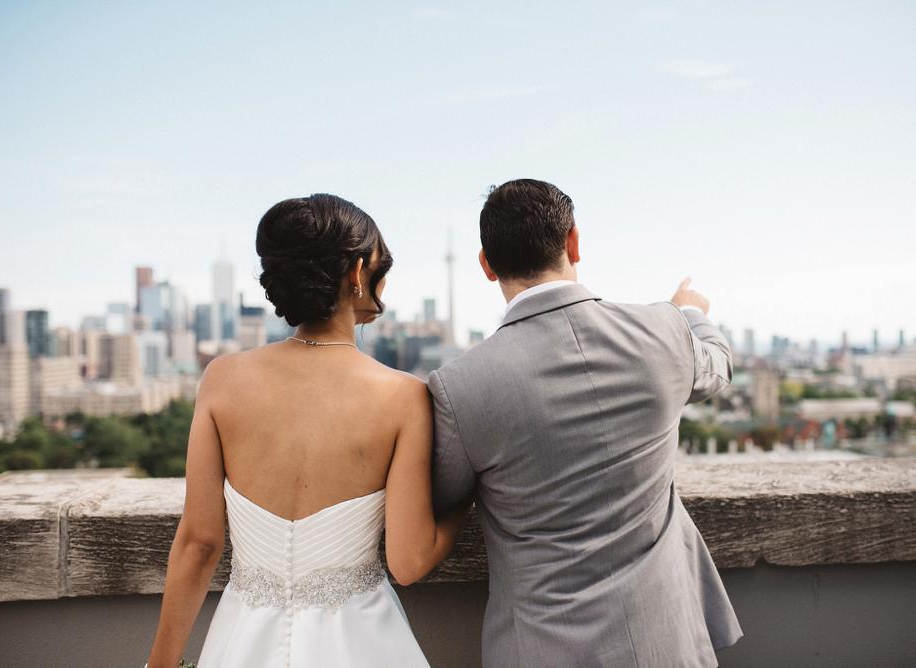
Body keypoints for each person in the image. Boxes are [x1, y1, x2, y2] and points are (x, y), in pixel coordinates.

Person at [428, 179, 744, 667]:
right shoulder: (663, 331)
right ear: (574, 241)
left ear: (487, 265)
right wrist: (690, 313)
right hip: (665, 643)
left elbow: (440, 499)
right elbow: (717, 366)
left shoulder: (458, 386)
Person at [145, 194, 470, 668]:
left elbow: (199, 543)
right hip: (363, 645)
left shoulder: (221, 379)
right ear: (357, 274)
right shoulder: (404, 396)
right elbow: (409, 561)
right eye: (382, 265)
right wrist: (465, 495)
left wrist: (160, 663)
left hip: (241, 642)